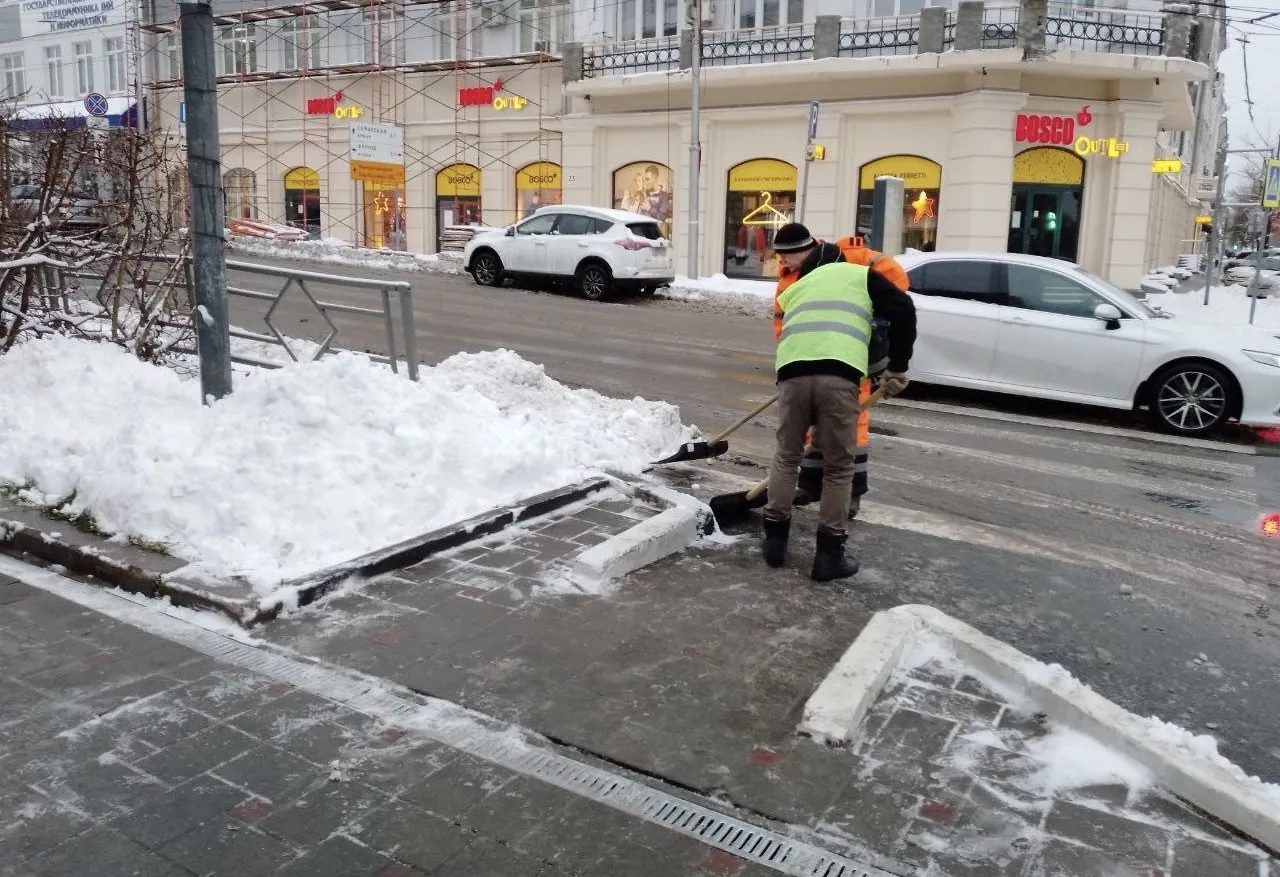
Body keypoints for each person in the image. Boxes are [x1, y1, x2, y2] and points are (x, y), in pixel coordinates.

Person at [763, 223, 916, 582]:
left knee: (786, 456)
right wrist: (897, 367)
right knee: (838, 466)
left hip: (791, 373)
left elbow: (786, 330)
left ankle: (774, 545)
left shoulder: (795, 287)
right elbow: (903, 309)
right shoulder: (862, 275)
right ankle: (828, 556)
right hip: (840, 375)